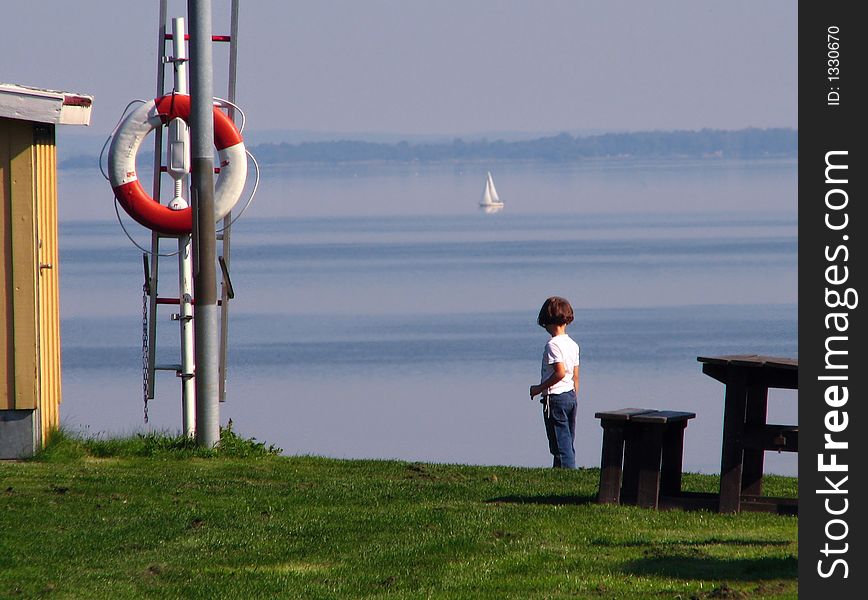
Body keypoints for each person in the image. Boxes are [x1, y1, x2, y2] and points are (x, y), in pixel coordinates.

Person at [529, 296, 581, 469]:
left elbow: (559, 373)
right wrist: (574, 396)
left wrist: (538, 388)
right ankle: (560, 472)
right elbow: (575, 376)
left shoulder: (553, 345)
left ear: (546, 321)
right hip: (570, 396)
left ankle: (567, 473)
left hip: (555, 398)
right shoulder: (573, 344)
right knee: (567, 439)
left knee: (559, 443)